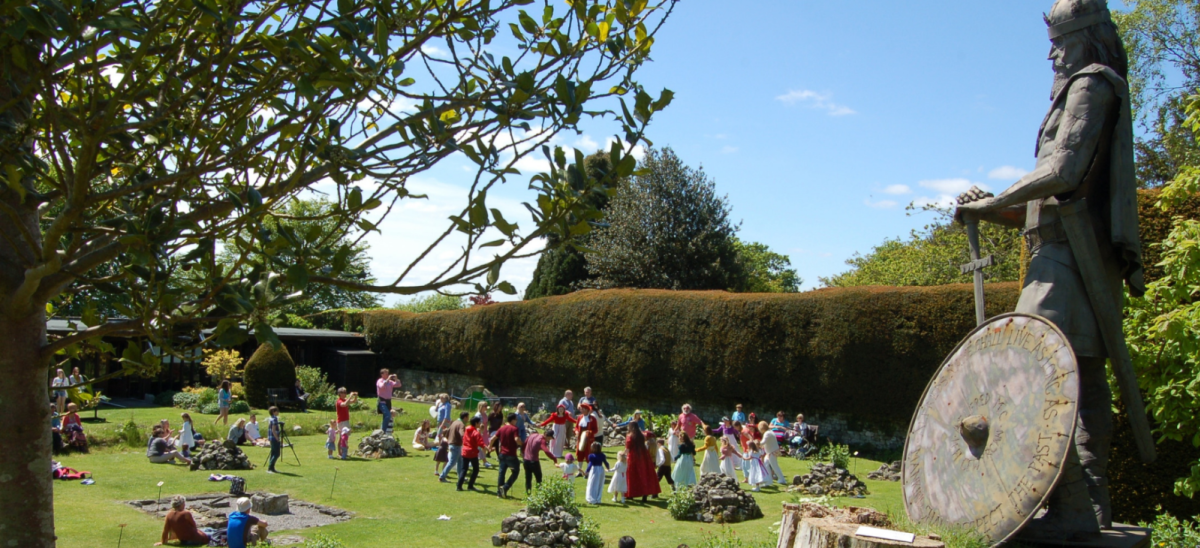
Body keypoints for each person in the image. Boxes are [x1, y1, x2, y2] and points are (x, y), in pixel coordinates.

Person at [955, 1, 1140, 536]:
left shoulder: (1091, 85)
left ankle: (1075, 507)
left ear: (1088, 38)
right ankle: (1090, 508)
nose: (1053, 53)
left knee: (1028, 373)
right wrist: (994, 206)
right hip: (1064, 253)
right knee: (1080, 378)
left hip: (1068, 260)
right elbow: (1046, 203)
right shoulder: (1084, 88)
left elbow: (1063, 170)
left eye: (1061, 41)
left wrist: (992, 202)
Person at [624, 422, 661, 502]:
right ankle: (645, 494)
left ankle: (631, 494)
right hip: (643, 456)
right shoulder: (641, 435)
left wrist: (622, 455)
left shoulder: (629, 436)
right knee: (643, 474)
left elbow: (627, 449)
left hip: (633, 456)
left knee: (632, 474)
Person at [493, 413, 522, 499]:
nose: (516, 421)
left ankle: (499, 493)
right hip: (511, 454)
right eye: (516, 420)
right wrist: (522, 444)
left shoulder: (502, 428)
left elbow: (493, 438)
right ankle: (505, 487)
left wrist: (490, 446)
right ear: (512, 420)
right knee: (516, 471)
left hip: (502, 454)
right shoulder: (514, 429)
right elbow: (516, 439)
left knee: (501, 473)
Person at [522, 428, 557, 493]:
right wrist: (554, 459)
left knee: (528, 478)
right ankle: (539, 494)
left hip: (526, 460)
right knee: (538, 478)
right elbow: (546, 451)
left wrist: (522, 452)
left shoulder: (533, 435)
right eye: (549, 438)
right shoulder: (542, 440)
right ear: (546, 435)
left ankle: (528, 493)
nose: (548, 440)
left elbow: (524, 443)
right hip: (534, 461)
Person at [458, 416, 485, 491]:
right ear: (476, 423)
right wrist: (486, 447)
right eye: (479, 422)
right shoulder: (476, 433)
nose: (480, 424)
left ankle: (459, 486)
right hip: (472, 453)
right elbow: (480, 442)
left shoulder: (467, 429)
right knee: (476, 469)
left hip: (465, 451)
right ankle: (470, 485)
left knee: (464, 469)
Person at [440, 411, 468, 483]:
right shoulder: (461, 424)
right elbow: (462, 434)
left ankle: (460, 477)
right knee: (452, 462)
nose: (468, 419)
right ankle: (442, 477)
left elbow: (447, 432)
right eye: (468, 417)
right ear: (465, 417)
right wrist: (466, 441)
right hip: (456, 445)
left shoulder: (455, 422)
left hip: (453, 444)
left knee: (460, 462)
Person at [574, 402, 600, 466]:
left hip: (589, 440)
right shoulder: (579, 417)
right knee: (580, 454)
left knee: (588, 454)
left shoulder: (592, 419)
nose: (581, 410)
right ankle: (579, 470)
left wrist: (589, 432)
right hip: (580, 439)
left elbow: (595, 430)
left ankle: (588, 471)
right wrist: (576, 431)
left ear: (587, 410)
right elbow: (576, 427)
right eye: (581, 409)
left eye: (583, 409)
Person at [266, 406, 281, 473]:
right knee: (277, 453)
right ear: (273, 412)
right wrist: (277, 438)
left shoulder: (271, 418)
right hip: (274, 438)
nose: (278, 412)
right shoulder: (275, 419)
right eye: (277, 411)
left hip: (271, 438)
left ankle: (272, 468)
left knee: (273, 453)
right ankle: (270, 468)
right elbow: (273, 430)